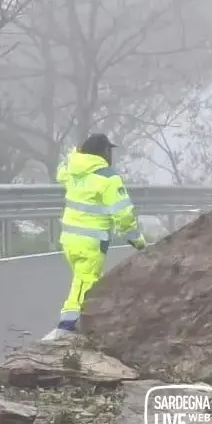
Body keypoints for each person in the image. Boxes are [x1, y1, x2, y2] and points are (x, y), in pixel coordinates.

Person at [43, 133, 146, 342]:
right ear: (105, 152)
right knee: (86, 282)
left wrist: (75, 153)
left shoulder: (73, 171)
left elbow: (61, 172)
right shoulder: (108, 178)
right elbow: (123, 214)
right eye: (110, 150)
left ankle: (82, 324)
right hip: (90, 242)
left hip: (69, 240)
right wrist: (137, 240)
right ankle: (66, 327)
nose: (111, 155)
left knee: (82, 280)